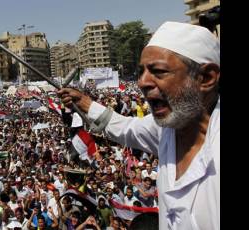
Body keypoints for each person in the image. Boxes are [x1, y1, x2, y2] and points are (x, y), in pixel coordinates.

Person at [58, 21, 220, 230]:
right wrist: (86, 104)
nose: (142, 82)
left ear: (206, 78)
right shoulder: (165, 129)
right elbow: (125, 128)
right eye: (141, 72)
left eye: (159, 71)